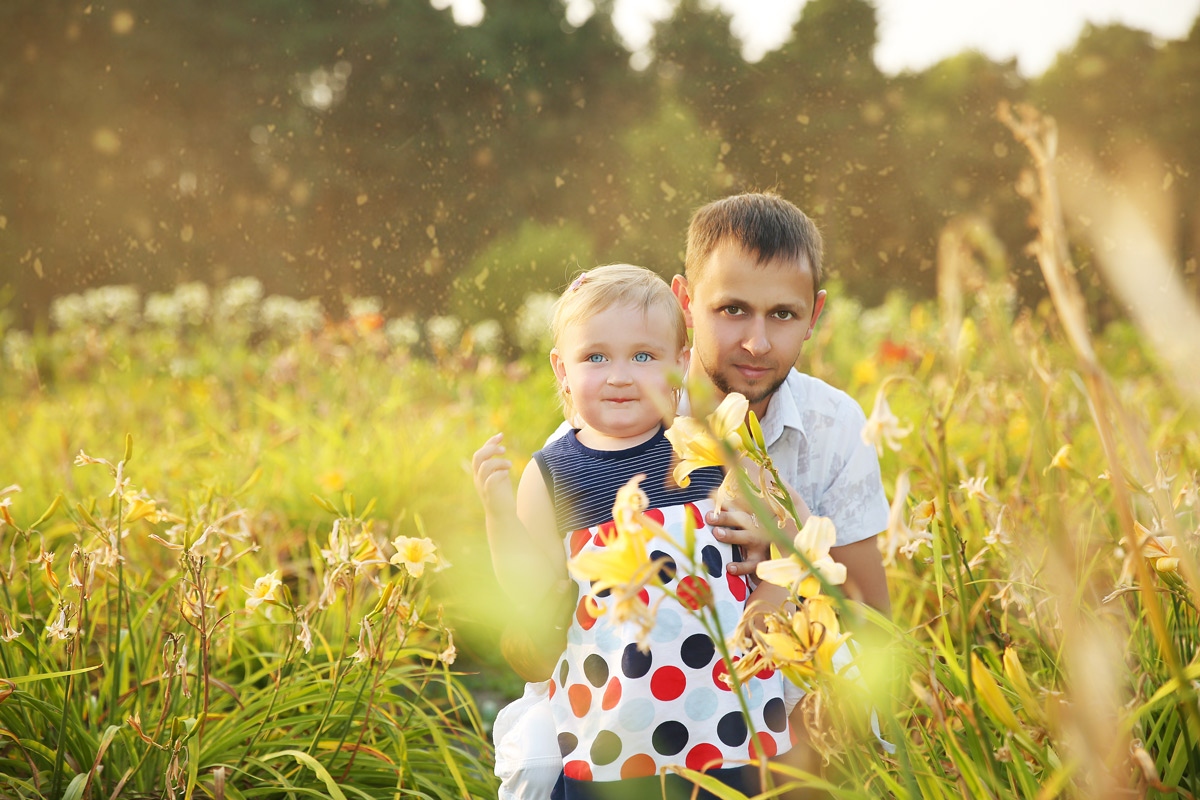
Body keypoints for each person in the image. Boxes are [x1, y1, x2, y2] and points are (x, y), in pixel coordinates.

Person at [473, 264, 794, 800]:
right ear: (562, 369)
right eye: (595, 357)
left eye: (643, 356)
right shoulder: (553, 473)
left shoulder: (712, 449)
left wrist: (770, 595)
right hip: (610, 726)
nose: (619, 375)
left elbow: (787, 542)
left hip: (730, 716)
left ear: (680, 364)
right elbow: (532, 592)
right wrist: (499, 515)